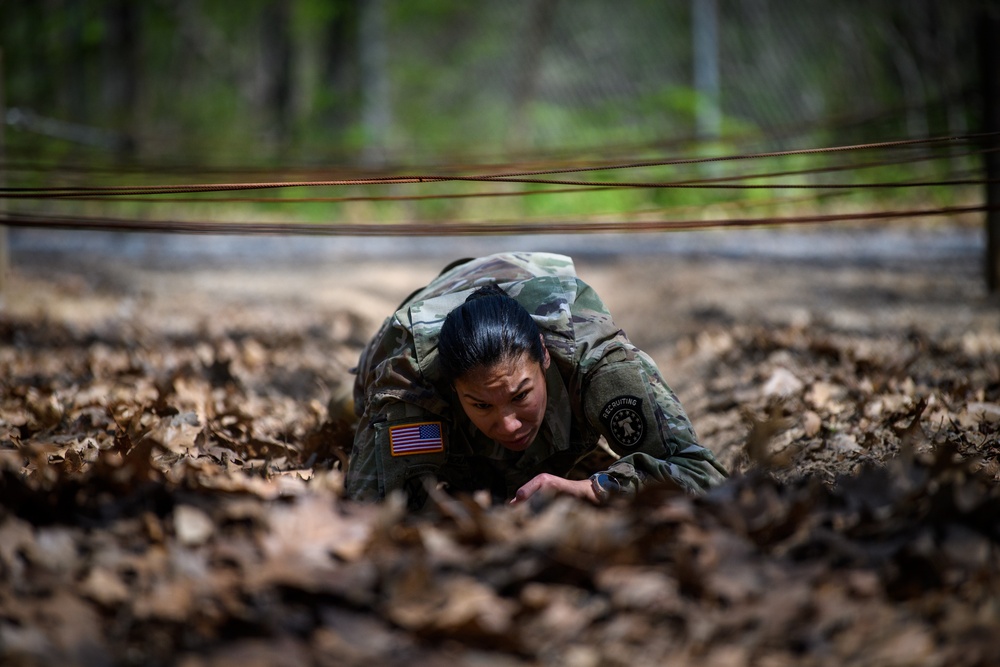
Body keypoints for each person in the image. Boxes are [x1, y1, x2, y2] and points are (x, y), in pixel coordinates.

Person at [345, 251, 727, 509]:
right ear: (451, 386)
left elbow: (701, 473)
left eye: (521, 395)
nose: (509, 423)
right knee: (350, 412)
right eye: (481, 404)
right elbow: (370, 511)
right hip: (421, 314)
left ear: (544, 355)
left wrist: (591, 489)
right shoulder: (410, 380)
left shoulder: (597, 362)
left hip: (523, 286)